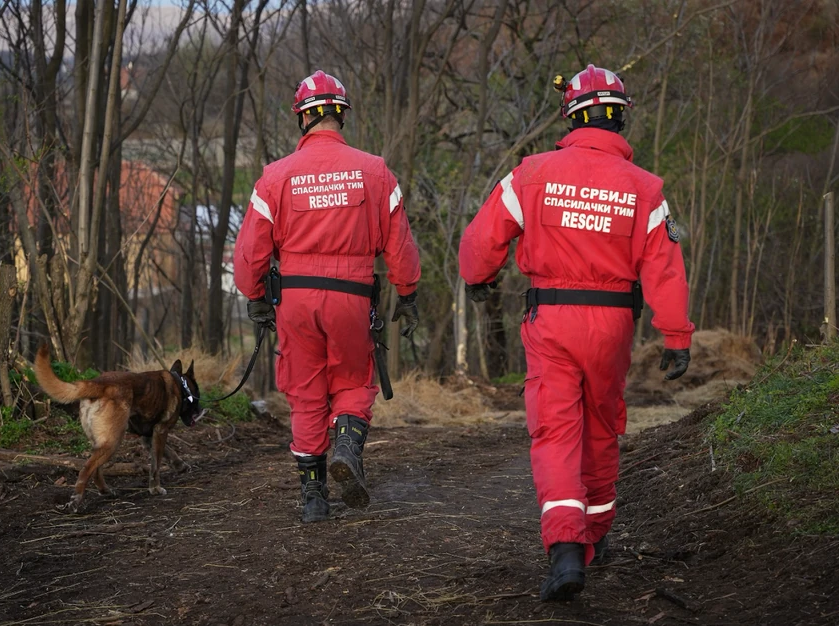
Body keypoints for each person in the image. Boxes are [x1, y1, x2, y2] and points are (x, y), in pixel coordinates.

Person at [459, 64, 694, 601]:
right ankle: (599, 533)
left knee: (556, 431)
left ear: (571, 117)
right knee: (602, 424)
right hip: (613, 324)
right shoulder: (645, 188)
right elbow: (665, 269)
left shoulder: (532, 172)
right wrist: (677, 336)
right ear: (620, 120)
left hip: (552, 320)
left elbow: (481, 239)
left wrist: (479, 278)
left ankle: (566, 551)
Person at [233, 70, 422, 524]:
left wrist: (256, 294)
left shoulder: (275, 178)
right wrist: (408, 292)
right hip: (353, 298)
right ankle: (347, 448)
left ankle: (313, 497)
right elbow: (399, 245)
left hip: (295, 301)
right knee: (354, 382)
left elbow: (250, 253)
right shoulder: (375, 171)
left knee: (306, 393)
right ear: (341, 114)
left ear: (302, 119)